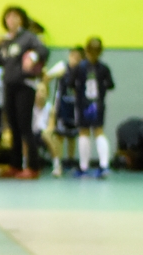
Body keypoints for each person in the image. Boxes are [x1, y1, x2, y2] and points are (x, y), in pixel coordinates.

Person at [0, 7, 48, 177]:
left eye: (15, 17)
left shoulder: (28, 37)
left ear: (21, 20)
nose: (11, 20)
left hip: (25, 86)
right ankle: (15, 166)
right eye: (8, 17)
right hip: (9, 87)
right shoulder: (5, 43)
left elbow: (43, 50)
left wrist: (33, 57)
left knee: (25, 126)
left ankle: (33, 167)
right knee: (13, 127)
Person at [75, 37, 115, 178]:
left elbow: (70, 83)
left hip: (83, 104)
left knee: (84, 132)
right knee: (99, 132)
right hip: (97, 104)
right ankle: (104, 166)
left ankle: (84, 167)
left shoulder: (80, 67)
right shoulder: (103, 68)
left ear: (86, 51)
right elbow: (110, 85)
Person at [44, 47, 83, 177]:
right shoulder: (62, 67)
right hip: (62, 106)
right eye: (72, 56)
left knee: (72, 137)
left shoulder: (81, 70)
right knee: (59, 136)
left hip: (75, 108)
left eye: (77, 57)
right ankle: (57, 164)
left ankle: (71, 163)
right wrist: (48, 97)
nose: (74, 59)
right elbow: (47, 77)